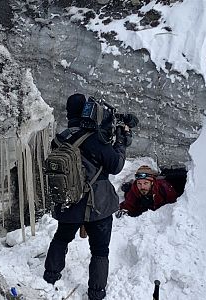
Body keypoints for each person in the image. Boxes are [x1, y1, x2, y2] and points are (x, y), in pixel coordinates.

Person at [42, 93, 132, 300]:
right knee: (100, 250)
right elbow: (115, 166)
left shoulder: (60, 138)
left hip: (69, 201)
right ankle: (96, 293)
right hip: (97, 206)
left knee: (61, 239)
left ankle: (50, 277)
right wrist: (120, 143)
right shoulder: (96, 139)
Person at [117, 165, 184, 217]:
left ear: (152, 182)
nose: (142, 187)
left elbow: (174, 206)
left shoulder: (164, 188)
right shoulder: (134, 190)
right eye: (139, 183)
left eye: (145, 183)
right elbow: (128, 205)